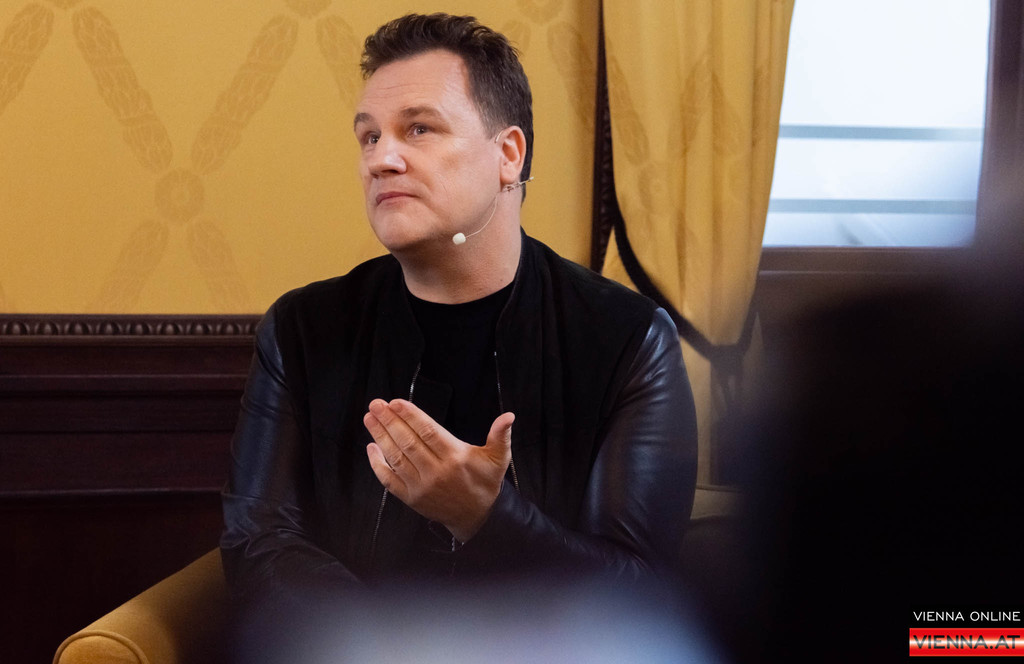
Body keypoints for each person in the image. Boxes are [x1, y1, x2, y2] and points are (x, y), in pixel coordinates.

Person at [220, 12, 697, 623]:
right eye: (369, 136)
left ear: (508, 155)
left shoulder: (630, 339)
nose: (381, 159)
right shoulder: (301, 329)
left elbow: (637, 594)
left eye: (418, 129)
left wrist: (486, 517)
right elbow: (257, 541)